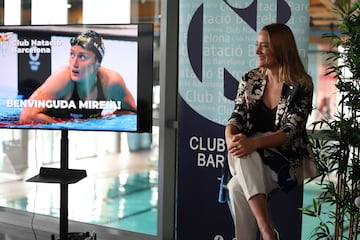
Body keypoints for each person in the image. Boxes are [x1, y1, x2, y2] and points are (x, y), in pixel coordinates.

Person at [224, 23, 319, 240]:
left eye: (264, 46)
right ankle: (267, 232)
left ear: (280, 48)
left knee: (235, 186)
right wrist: (229, 135)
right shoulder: (250, 79)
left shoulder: (302, 84)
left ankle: (258, 234)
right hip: (246, 154)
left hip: (284, 160)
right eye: (257, 45)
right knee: (244, 150)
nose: (257, 51)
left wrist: (252, 144)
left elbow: (291, 130)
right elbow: (237, 115)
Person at [20, 30, 137, 124]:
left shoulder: (111, 82)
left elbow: (133, 111)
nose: (74, 63)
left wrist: (108, 118)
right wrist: (64, 126)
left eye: (82, 57)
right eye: (72, 54)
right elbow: (26, 116)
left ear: (97, 62)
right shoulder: (62, 78)